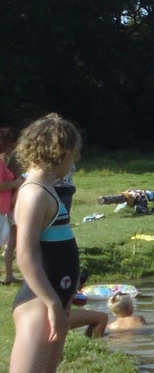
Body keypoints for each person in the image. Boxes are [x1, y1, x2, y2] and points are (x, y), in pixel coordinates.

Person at [9, 113, 82, 373]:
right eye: (73, 156)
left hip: (55, 297)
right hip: (39, 301)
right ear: (62, 153)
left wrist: (65, 297)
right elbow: (25, 255)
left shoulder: (47, 189)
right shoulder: (34, 193)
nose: (73, 162)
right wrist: (51, 302)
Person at [0, 127, 25, 284]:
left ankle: (9, 275)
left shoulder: (6, 160)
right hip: (6, 206)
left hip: (8, 206)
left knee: (11, 241)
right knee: (9, 241)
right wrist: (17, 184)